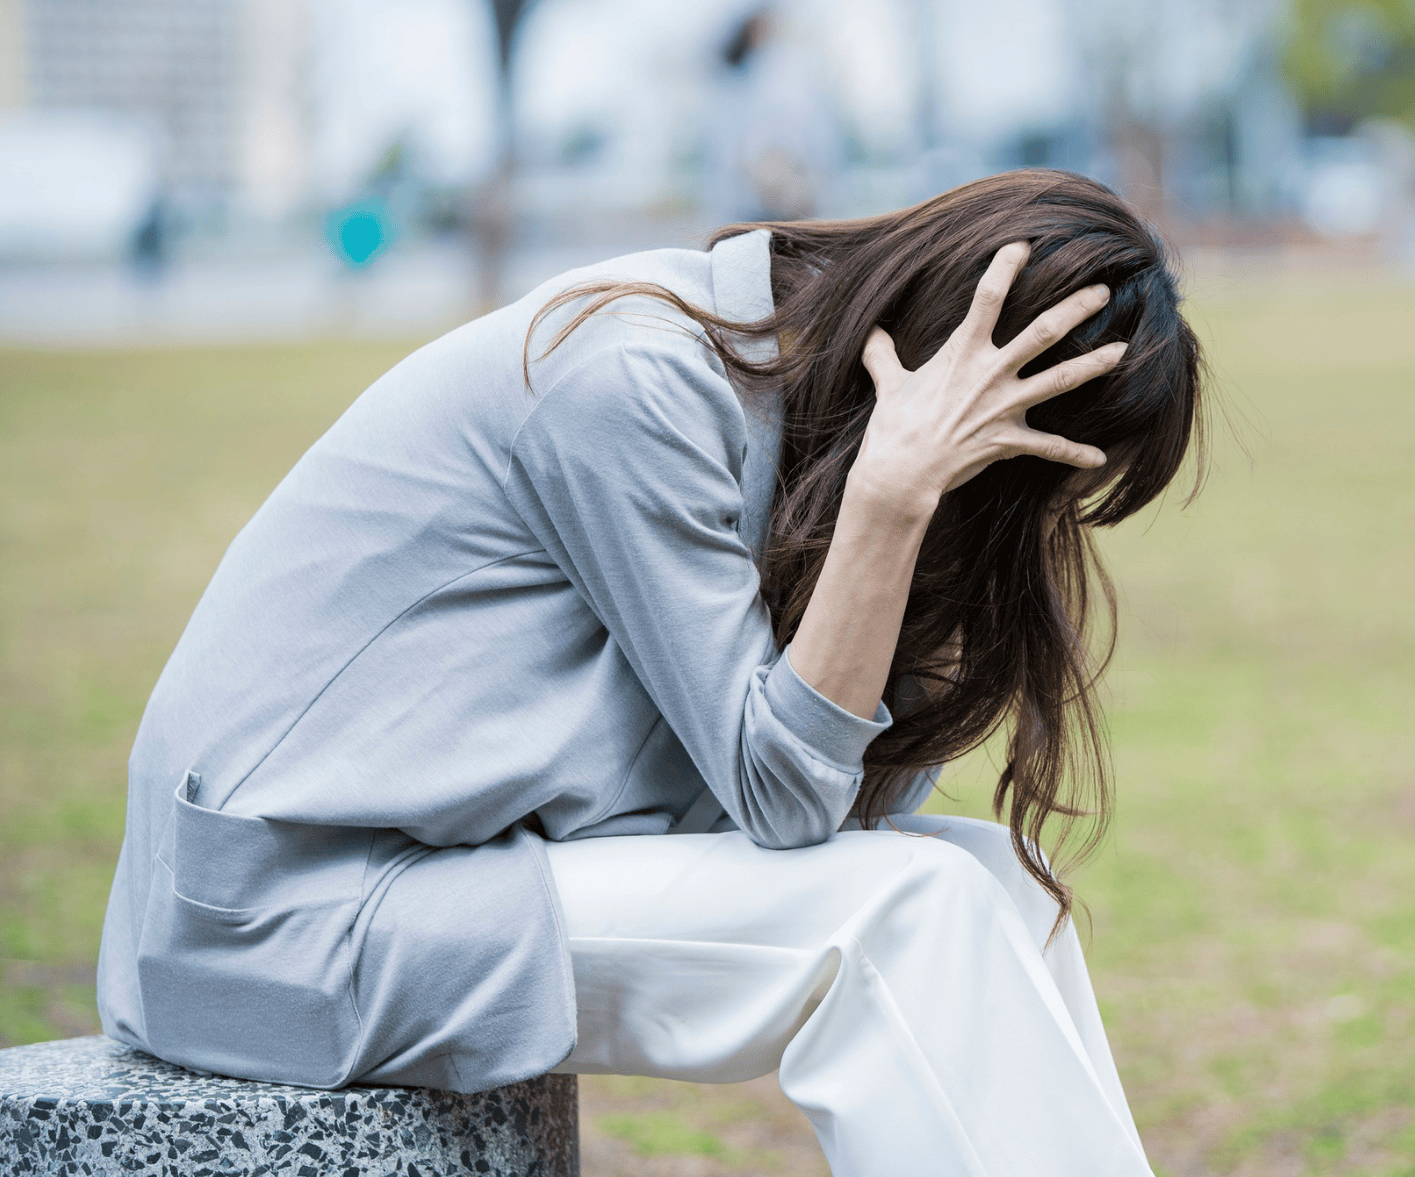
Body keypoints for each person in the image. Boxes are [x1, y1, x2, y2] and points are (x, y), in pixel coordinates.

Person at [96, 168, 1204, 1176]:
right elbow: (784, 800)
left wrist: (921, 538)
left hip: (438, 878)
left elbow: (856, 795)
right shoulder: (640, 378)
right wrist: (892, 501)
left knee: (1000, 882)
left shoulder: (787, 415)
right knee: (905, 910)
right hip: (270, 923)